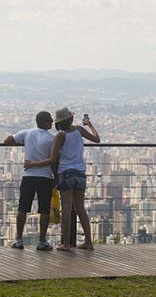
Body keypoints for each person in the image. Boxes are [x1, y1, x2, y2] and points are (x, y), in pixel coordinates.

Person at [25, 107, 100, 251]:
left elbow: (52, 159)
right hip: (80, 174)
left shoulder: (60, 136)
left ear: (59, 122)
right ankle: (88, 242)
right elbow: (97, 139)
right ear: (71, 119)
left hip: (66, 174)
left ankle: (66, 244)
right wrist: (89, 124)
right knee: (80, 209)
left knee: (66, 209)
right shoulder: (79, 130)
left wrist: (32, 164)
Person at [4, 111, 54, 251]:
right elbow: (54, 160)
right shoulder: (52, 138)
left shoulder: (27, 133)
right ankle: (42, 241)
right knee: (44, 210)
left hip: (28, 176)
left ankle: (19, 240)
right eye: (50, 120)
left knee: (23, 207)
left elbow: (7, 140)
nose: (52, 122)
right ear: (45, 122)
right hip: (45, 177)